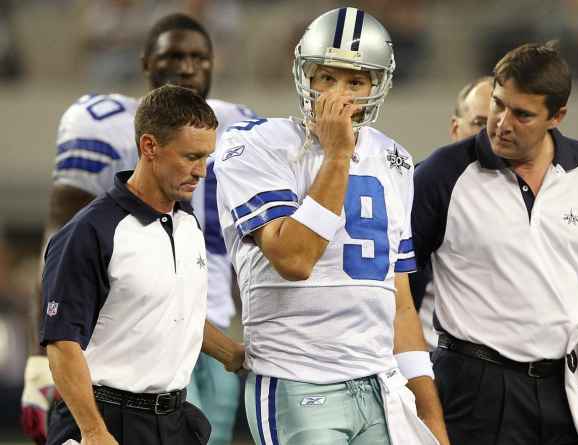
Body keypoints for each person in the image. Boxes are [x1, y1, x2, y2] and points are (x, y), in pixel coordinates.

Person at [214, 7, 449, 445]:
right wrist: (338, 154)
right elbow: (295, 258)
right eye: (327, 78)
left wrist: (428, 410)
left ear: (378, 86)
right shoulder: (257, 144)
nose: (338, 95)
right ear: (305, 76)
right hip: (298, 380)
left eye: (355, 82)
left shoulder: (394, 160)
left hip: (379, 384)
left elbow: (397, 302)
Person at [21, 13, 255, 445]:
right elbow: (62, 345)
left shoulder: (185, 225)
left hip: (172, 415)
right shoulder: (90, 231)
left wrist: (237, 356)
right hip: (106, 414)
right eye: (190, 158)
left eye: (206, 157)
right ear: (149, 147)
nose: (203, 172)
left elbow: (177, 313)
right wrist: (93, 430)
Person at [411, 41, 578, 444]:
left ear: (557, 116)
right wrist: (415, 392)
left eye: (522, 114)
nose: (502, 123)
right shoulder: (440, 174)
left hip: (569, 384)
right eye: (499, 105)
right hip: (474, 386)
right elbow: (397, 287)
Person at [414, 76, 494, 350]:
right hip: (438, 361)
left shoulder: (537, 194)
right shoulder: (425, 187)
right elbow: (400, 293)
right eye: (480, 123)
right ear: (455, 127)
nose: (493, 133)